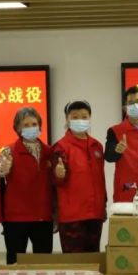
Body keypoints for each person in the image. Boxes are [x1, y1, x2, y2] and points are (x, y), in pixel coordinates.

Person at [0, 107, 54, 265]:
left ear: (40, 126)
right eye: (26, 125)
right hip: (16, 218)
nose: (31, 128)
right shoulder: (9, 151)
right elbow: (0, 170)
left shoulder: (49, 151)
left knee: (43, 264)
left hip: (42, 216)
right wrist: (2, 168)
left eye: (34, 124)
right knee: (15, 264)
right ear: (18, 128)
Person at [52, 100, 107, 253]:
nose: (80, 120)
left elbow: (100, 179)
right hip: (72, 218)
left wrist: (103, 206)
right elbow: (56, 180)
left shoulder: (97, 146)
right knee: (75, 263)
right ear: (67, 119)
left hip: (95, 214)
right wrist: (58, 175)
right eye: (75, 117)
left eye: (84, 117)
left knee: (93, 261)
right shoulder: (61, 147)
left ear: (90, 118)